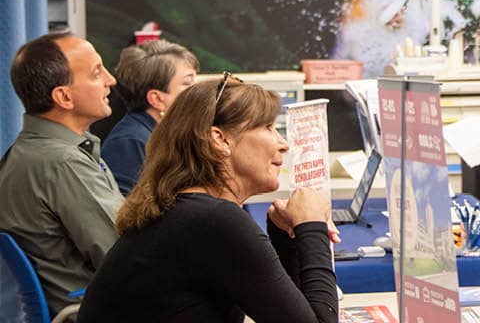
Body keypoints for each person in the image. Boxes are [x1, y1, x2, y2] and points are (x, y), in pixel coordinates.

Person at [77, 77, 340, 322]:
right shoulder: (214, 220)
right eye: (269, 127)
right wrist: (312, 225)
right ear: (220, 139)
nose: (283, 144)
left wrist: (286, 235)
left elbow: (286, 310)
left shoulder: (189, 212)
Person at [0, 32, 123, 316]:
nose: (111, 79)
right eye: (96, 73)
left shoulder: (27, 154)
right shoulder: (62, 163)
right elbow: (126, 256)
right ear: (64, 97)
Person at [102, 39, 199, 195]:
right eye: (187, 83)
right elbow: (124, 213)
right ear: (157, 99)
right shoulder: (129, 143)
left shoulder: (171, 134)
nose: (199, 91)